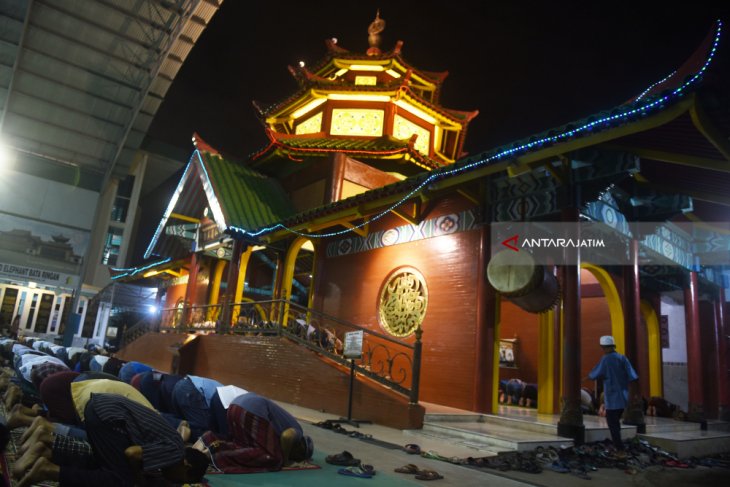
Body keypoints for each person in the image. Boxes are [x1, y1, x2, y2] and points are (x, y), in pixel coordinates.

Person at [14, 394, 209, 487]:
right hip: (108, 415)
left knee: (103, 464)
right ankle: (49, 471)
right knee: (120, 479)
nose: (174, 481)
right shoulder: (175, 450)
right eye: (181, 479)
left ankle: (50, 454)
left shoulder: (173, 444)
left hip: (100, 407)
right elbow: (131, 453)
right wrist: (137, 479)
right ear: (186, 466)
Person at [198, 392, 313, 473]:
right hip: (251, 410)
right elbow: (287, 436)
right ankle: (216, 455)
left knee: (242, 446)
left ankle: (208, 442)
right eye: (298, 456)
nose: (295, 457)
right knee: (273, 457)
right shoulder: (298, 430)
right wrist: (286, 461)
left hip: (234, 406)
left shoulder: (286, 423)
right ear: (301, 447)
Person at [583, 335, 638, 451]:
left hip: (612, 399)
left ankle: (620, 449)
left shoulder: (606, 359)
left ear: (603, 347)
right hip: (623, 398)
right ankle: (618, 445)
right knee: (616, 423)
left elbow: (594, 374)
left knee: (613, 424)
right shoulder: (623, 358)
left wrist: (586, 378)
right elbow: (633, 376)